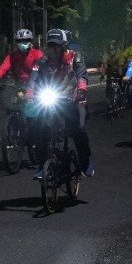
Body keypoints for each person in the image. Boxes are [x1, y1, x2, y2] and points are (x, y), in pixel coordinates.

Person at [28, 28, 94, 179]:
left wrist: (81, 90)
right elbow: (34, 78)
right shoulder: (42, 62)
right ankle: (41, 164)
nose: (54, 49)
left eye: (57, 45)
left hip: (72, 99)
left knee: (79, 129)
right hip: (51, 100)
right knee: (40, 130)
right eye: (51, 45)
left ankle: (85, 161)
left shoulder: (74, 58)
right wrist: (30, 93)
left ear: (64, 46)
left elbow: (82, 75)